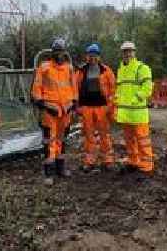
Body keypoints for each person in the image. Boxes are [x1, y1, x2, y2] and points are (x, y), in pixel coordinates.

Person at [32, 38, 77, 185]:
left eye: (61, 51)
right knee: (49, 142)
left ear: (64, 53)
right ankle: (48, 173)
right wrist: (42, 104)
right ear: (53, 52)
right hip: (49, 110)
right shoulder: (44, 67)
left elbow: (74, 87)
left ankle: (61, 168)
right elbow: (37, 88)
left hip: (66, 110)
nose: (59, 54)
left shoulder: (69, 68)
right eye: (57, 51)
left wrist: (74, 103)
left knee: (62, 141)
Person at [114, 41, 154, 177]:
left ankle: (147, 166)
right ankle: (133, 161)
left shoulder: (142, 68)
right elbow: (119, 90)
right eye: (125, 51)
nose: (128, 54)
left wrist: (135, 99)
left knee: (143, 141)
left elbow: (147, 88)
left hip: (138, 114)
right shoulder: (120, 70)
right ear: (122, 54)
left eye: (130, 51)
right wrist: (116, 102)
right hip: (125, 115)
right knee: (129, 141)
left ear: (134, 52)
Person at [74, 43, 116, 172]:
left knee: (105, 135)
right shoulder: (81, 71)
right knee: (88, 136)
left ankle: (107, 160)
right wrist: (77, 107)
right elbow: (75, 89)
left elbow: (113, 91)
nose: (92, 58)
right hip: (86, 108)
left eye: (95, 55)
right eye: (90, 55)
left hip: (102, 108)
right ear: (87, 56)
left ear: (99, 57)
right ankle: (89, 161)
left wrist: (110, 107)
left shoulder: (106, 71)